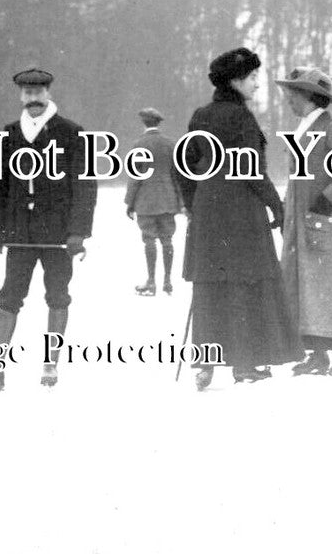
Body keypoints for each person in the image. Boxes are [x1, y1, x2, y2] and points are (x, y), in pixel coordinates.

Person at [173, 49, 302, 389]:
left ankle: (205, 365)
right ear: (235, 81)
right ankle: (245, 365)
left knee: (210, 287)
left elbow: (182, 166)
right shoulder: (242, 119)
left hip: (208, 215)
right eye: (252, 78)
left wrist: (193, 204)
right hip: (242, 214)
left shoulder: (200, 115)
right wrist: (277, 206)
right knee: (245, 286)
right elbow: (254, 173)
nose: (257, 84)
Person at [0, 67, 97, 391]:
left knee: (57, 296)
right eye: (27, 93)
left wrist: (78, 232)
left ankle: (50, 365)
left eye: (38, 92)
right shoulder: (9, 134)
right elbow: (0, 186)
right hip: (20, 234)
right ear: (20, 96)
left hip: (59, 237)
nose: (33, 98)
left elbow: (85, 187)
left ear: (49, 93)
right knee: (9, 298)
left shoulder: (72, 133)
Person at [278, 66, 332, 377]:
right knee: (306, 286)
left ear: (306, 96)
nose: (287, 99)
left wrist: (323, 204)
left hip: (329, 223)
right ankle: (316, 354)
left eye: (292, 93)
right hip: (301, 223)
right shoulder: (302, 129)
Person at [124, 107, 183, 296]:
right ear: (158, 123)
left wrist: (130, 203)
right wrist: (180, 200)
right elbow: (178, 175)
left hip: (146, 201)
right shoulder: (170, 144)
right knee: (167, 240)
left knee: (149, 239)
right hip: (168, 200)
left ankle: (151, 281)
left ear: (144, 123)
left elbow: (135, 177)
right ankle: (167, 280)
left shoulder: (139, 145)